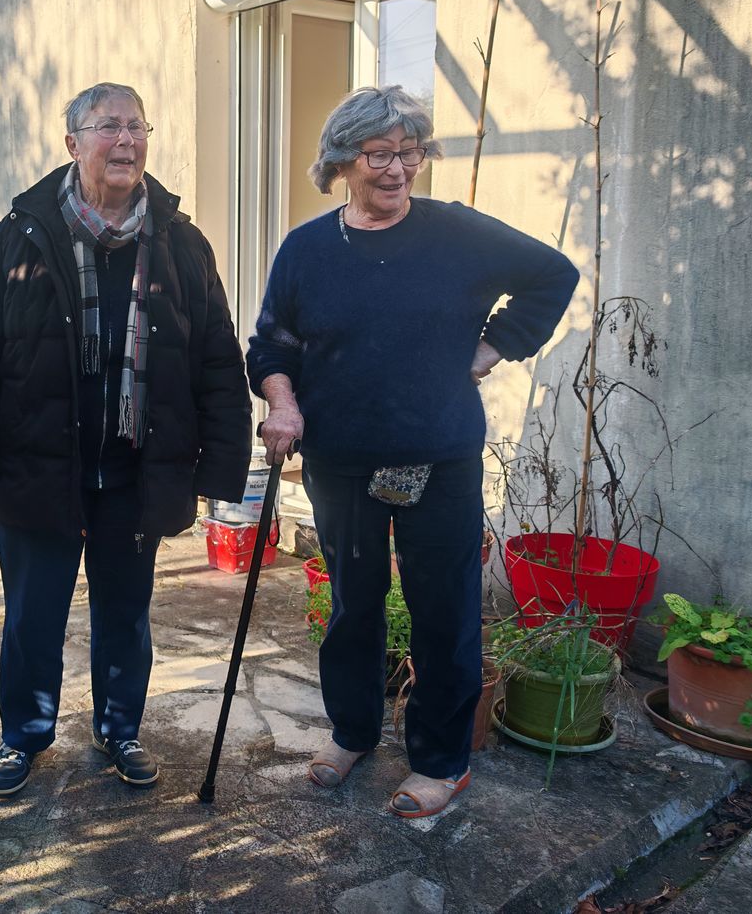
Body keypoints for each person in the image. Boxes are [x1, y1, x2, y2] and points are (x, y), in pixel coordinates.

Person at [248, 85, 578, 817]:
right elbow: (273, 342)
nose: (397, 169)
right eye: (378, 154)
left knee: (443, 610)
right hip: (340, 457)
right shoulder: (306, 249)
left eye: (410, 152)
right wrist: (284, 401)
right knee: (352, 605)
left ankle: (441, 760)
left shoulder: (457, 235)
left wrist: (490, 349)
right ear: (342, 160)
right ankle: (353, 731)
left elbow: (553, 275)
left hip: (440, 456)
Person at [0, 82, 252, 797]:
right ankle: (24, 735)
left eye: (137, 126)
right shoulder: (22, 235)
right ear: (72, 141)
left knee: (125, 616)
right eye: (108, 126)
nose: (127, 141)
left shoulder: (180, 241)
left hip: (133, 473)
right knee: (32, 617)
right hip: (39, 469)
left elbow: (215, 358)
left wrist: (220, 467)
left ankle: (120, 729)